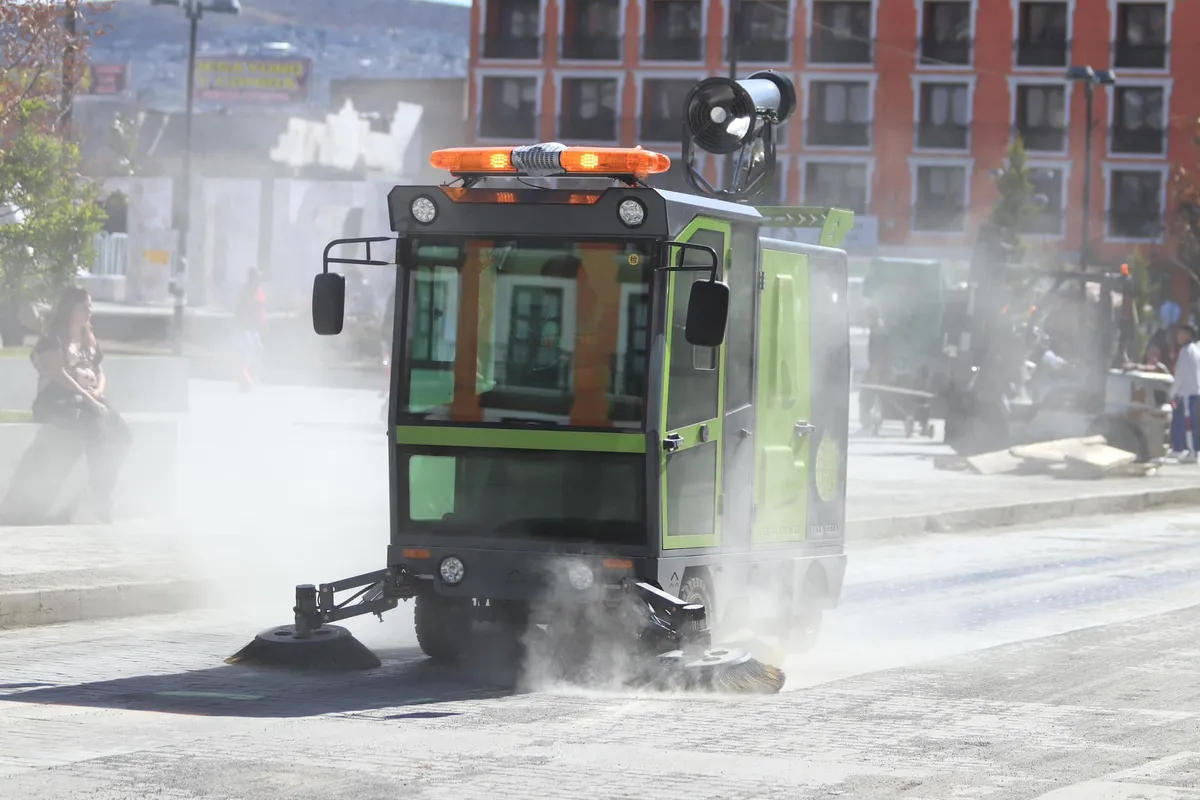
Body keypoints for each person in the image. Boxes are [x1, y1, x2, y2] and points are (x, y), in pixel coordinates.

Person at [0, 287, 131, 524]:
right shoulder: (54, 339)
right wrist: (92, 401)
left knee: (121, 433)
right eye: (84, 307)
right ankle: (69, 498)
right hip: (57, 400)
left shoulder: (89, 339)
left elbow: (100, 372)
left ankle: (98, 490)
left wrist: (97, 394)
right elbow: (59, 375)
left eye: (90, 306)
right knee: (91, 424)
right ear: (70, 309)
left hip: (88, 400)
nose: (89, 311)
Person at [1169, 324, 1200, 463]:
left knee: (1187, 423)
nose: (1178, 336)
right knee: (1186, 421)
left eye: (1181, 333)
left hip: (1187, 392)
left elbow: (1181, 374)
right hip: (1192, 391)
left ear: (1188, 334)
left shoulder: (1187, 351)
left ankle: (1190, 451)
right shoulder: (1194, 349)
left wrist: (1173, 392)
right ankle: (1184, 449)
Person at [234, 269, 267, 391]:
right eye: (256, 278)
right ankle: (244, 379)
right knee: (246, 352)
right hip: (245, 327)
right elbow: (241, 310)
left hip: (255, 328)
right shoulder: (246, 292)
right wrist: (241, 325)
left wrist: (264, 324)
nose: (258, 281)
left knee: (258, 350)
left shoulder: (259, 292)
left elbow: (261, 310)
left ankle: (254, 376)